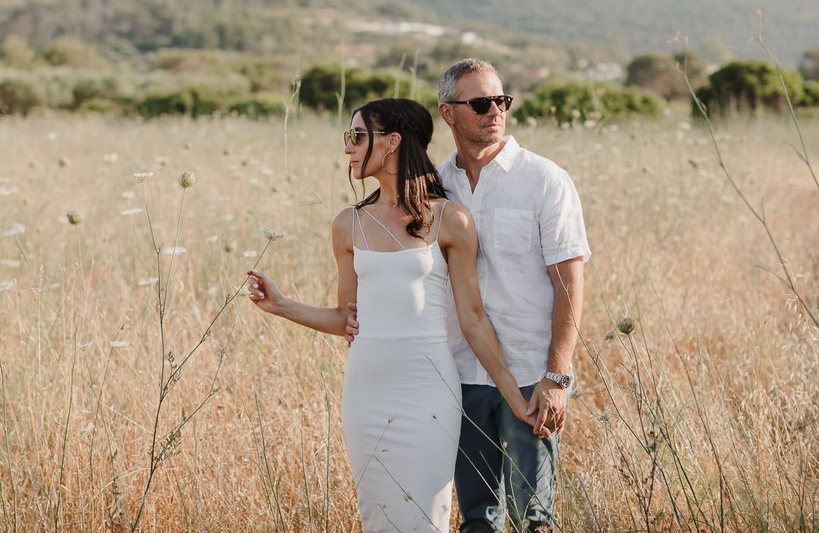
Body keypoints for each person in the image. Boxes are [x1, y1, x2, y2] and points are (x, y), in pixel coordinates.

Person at [246, 97, 537, 532]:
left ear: (392, 141)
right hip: (366, 390)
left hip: (428, 391)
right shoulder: (348, 223)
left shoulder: (450, 220)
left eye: (357, 136)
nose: (348, 148)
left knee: (424, 516)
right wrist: (281, 305)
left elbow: (474, 319)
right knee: (377, 517)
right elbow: (349, 320)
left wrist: (516, 399)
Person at [348, 60, 590, 532]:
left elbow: (569, 280)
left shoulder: (545, 180)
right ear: (449, 113)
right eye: (480, 103)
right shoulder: (433, 187)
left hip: (528, 375)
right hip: (455, 378)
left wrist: (557, 376)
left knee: (533, 520)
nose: (494, 111)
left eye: (501, 101)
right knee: (478, 519)